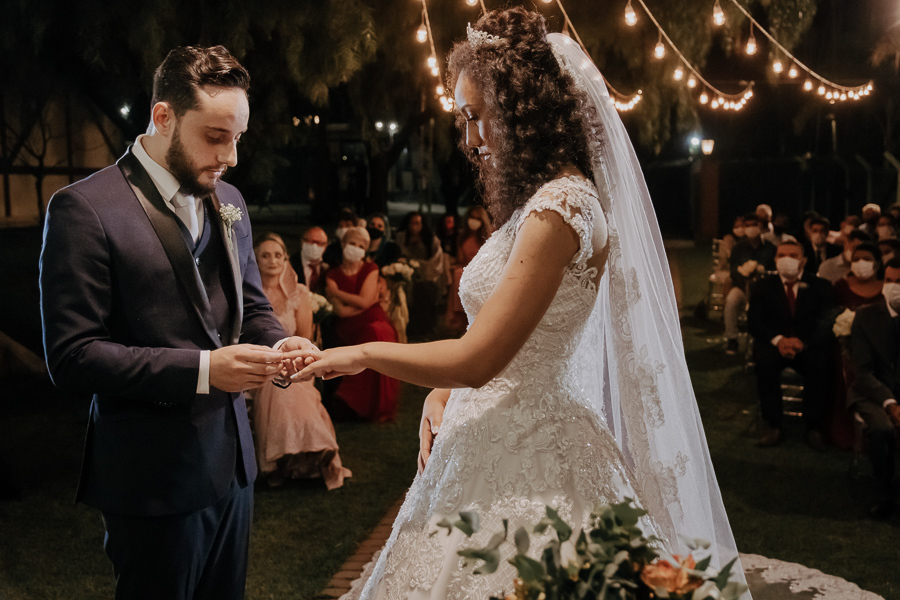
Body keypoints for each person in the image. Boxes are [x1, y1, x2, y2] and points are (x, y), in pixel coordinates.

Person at [299, 9, 749, 599]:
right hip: (489, 427)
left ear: (521, 111)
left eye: (476, 117)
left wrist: (358, 352)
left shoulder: (560, 210)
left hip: (537, 450)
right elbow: (503, 344)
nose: (470, 139)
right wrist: (445, 391)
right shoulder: (539, 205)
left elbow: (479, 360)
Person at [39, 45, 316, 600]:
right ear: (163, 117)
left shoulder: (229, 199)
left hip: (234, 467)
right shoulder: (84, 210)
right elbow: (73, 356)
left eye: (237, 136)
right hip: (151, 480)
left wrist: (279, 340)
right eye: (216, 136)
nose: (232, 155)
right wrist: (205, 370)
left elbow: (251, 305)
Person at [253, 233, 351, 489]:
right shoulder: (249, 296)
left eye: (278, 255)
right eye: (265, 255)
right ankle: (286, 458)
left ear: (286, 259)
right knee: (274, 388)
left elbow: (305, 338)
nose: (272, 261)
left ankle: (311, 451)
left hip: (295, 363)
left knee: (290, 386)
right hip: (259, 363)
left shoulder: (300, 294)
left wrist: (291, 364)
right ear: (254, 259)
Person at [747, 240, 836, 450]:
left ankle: (814, 427)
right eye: (781, 255)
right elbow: (754, 322)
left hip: (807, 344)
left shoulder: (820, 286)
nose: (786, 259)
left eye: (793, 255)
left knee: (820, 365)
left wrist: (803, 342)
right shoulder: (762, 286)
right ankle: (773, 424)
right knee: (765, 364)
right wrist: (779, 340)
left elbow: (827, 321)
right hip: (774, 343)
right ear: (775, 259)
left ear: (803, 260)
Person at [325, 227, 400, 422]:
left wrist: (337, 294)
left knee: (378, 333)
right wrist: (361, 303)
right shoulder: (332, 274)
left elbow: (366, 302)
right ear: (343, 244)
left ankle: (377, 405)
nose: (356, 248)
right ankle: (353, 403)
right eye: (352, 243)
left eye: (361, 246)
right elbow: (341, 312)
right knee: (373, 334)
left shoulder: (370, 268)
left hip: (374, 318)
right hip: (347, 326)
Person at [849, 258, 900, 519]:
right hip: (873, 392)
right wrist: (890, 403)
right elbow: (863, 372)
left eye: (899, 282)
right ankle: (884, 496)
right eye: (890, 281)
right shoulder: (866, 316)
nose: (894, 287)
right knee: (882, 429)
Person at [724, 213, 776, 354]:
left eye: (755, 225)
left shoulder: (770, 248)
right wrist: (745, 282)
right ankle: (732, 339)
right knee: (731, 300)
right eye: (748, 226)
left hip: (764, 290)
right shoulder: (738, 248)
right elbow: (734, 270)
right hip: (742, 287)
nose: (751, 228)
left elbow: (774, 270)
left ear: (761, 226)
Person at [395, 211, 445, 337]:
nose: (414, 226)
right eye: (412, 223)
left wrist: (420, 267)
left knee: (425, 291)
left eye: (417, 223)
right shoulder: (401, 237)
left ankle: (425, 329)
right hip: (405, 273)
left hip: (427, 276)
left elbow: (436, 261)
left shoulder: (430, 239)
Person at [446, 205, 492, 331]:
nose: (474, 221)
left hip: (483, 270)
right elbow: (461, 260)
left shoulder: (487, 238)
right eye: (472, 217)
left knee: (460, 274)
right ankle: (459, 314)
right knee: (457, 273)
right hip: (466, 269)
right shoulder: (463, 237)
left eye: (477, 218)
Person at [291, 225, 329, 294]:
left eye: (319, 243)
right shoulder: (290, 263)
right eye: (310, 241)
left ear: (325, 246)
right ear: (302, 241)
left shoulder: (330, 265)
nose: (314, 246)